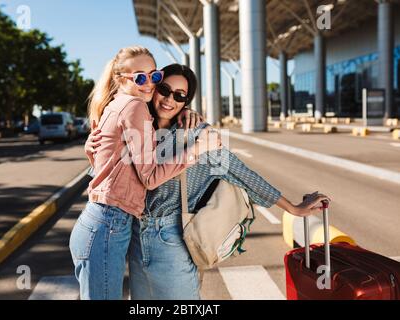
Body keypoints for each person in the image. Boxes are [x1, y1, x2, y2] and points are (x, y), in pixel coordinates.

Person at [85, 63, 331, 300]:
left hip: (171, 240)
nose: (170, 100)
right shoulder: (135, 125)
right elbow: (106, 173)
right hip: (135, 238)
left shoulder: (196, 134)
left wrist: (292, 207)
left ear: (186, 101)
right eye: (165, 90)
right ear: (154, 87)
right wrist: (91, 147)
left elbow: (239, 172)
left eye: (180, 96)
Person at [69, 47, 220, 300]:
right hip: (108, 225)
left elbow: (101, 163)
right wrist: (197, 149)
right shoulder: (135, 107)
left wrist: (184, 110)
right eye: (140, 78)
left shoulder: (115, 104)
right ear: (120, 79)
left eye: (154, 76)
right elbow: (150, 178)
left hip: (98, 223)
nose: (149, 84)